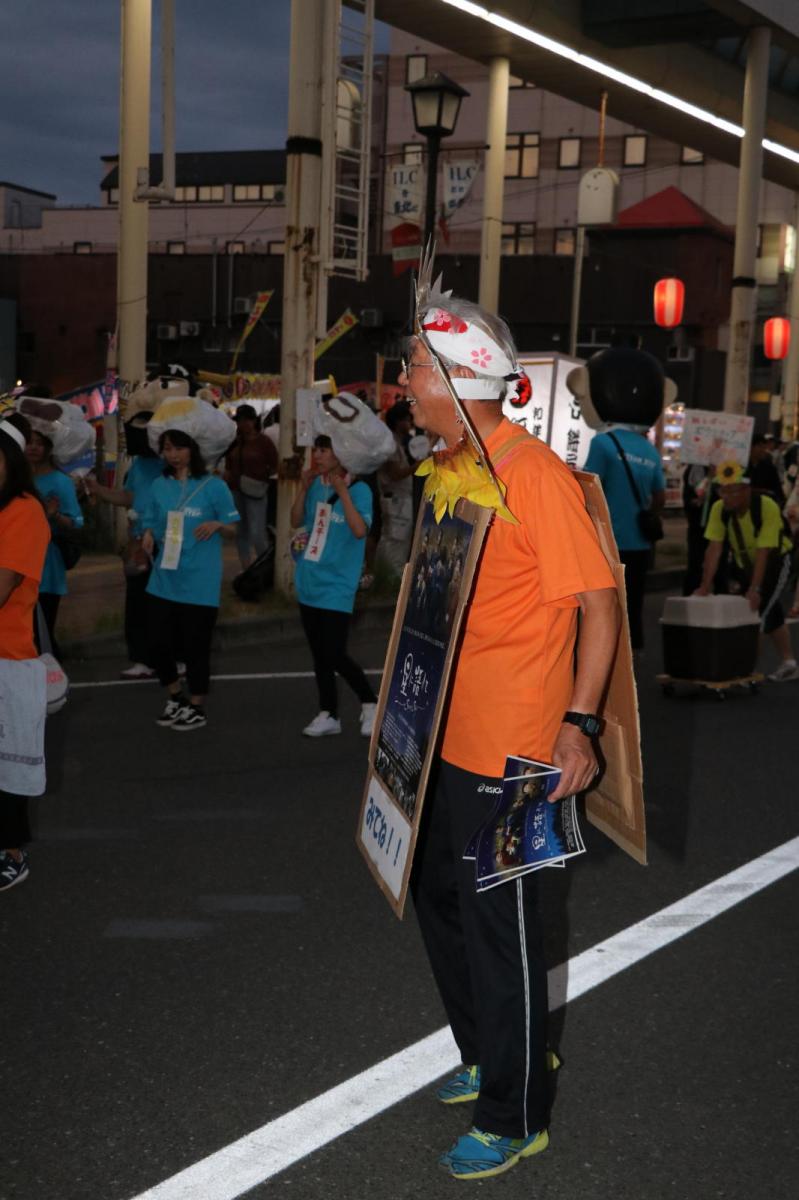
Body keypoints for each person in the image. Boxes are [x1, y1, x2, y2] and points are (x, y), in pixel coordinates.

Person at [398, 290, 620, 1180]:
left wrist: (578, 724)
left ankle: (514, 1113)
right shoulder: (457, 467)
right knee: (441, 902)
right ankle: (494, 1051)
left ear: (457, 382)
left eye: (415, 368)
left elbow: (599, 605)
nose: (403, 382)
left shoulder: (532, 475)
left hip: (518, 746)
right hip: (449, 738)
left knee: (507, 929)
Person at [142, 429, 239, 731]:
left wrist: (217, 524)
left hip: (200, 580)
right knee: (156, 641)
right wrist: (145, 535)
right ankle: (175, 696)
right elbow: (151, 522)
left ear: (192, 450)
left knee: (196, 646)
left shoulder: (213, 486)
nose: (173, 455)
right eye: (168, 449)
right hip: (163, 577)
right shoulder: (158, 485)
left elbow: (234, 528)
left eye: (179, 448)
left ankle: (196, 705)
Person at [290, 434, 378, 738]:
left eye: (324, 450)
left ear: (341, 453)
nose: (318, 456)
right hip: (309, 578)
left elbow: (358, 531)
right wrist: (302, 489)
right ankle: (328, 713)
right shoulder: (315, 485)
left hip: (338, 584)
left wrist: (343, 492)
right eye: (317, 450)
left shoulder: (361, 489)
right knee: (319, 654)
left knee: (334, 652)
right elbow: (295, 520)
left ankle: (370, 701)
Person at [0, 414, 51, 891]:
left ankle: (11, 852)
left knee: (7, 765)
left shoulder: (23, 511)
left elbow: (5, 582)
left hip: (7, 658)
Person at [694, 471, 796, 681]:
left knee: (755, 614)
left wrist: (755, 589)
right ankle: (789, 662)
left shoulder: (766, 506)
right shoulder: (719, 509)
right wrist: (705, 586)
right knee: (769, 609)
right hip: (745, 564)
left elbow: (764, 551)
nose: (726, 496)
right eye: (723, 490)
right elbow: (714, 548)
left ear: (747, 490)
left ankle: (743, 671)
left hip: (776, 561)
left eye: (733, 491)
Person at [83, 424, 164, 679]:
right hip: (139, 540)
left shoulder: (172, 465)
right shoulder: (138, 465)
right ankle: (141, 658)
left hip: (168, 540)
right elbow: (128, 497)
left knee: (166, 602)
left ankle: (174, 657)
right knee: (137, 600)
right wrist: (99, 491)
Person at [583, 423, 665, 650]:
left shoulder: (602, 443)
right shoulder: (650, 450)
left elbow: (590, 489)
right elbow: (660, 496)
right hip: (640, 542)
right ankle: (632, 660)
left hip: (608, 540)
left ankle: (603, 659)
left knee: (602, 605)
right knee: (633, 604)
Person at [25, 428, 84, 659]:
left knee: (42, 633)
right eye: (29, 442)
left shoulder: (61, 482)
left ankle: (52, 685)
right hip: (17, 561)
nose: (33, 447)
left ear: (49, 447)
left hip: (47, 564)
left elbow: (77, 521)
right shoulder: (16, 478)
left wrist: (54, 516)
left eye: (40, 443)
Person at [225, 404, 277, 572]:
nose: (244, 424)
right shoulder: (234, 441)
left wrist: (264, 479)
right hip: (236, 489)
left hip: (257, 491)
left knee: (257, 532)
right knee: (242, 531)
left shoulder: (264, 441)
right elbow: (228, 463)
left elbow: (275, 466)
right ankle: (247, 570)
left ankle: (265, 568)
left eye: (248, 420)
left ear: (255, 421)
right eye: (240, 420)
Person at [376, 399, 417, 579]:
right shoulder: (391, 443)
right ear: (398, 421)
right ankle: (391, 578)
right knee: (396, 540)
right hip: (396, 500)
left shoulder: (395, 442)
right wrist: (418, 466)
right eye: (407, 420)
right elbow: (394, 474)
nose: (410, 424)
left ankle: (388, 577)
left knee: (395, 539)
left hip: (397, 499)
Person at [747, 434, 783, 504]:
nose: (763, 450)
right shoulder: (741, 467)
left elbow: (778, 491)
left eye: (764, 447)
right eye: (759, 446)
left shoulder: (770, 468)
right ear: (750, 447)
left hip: (764, 505)